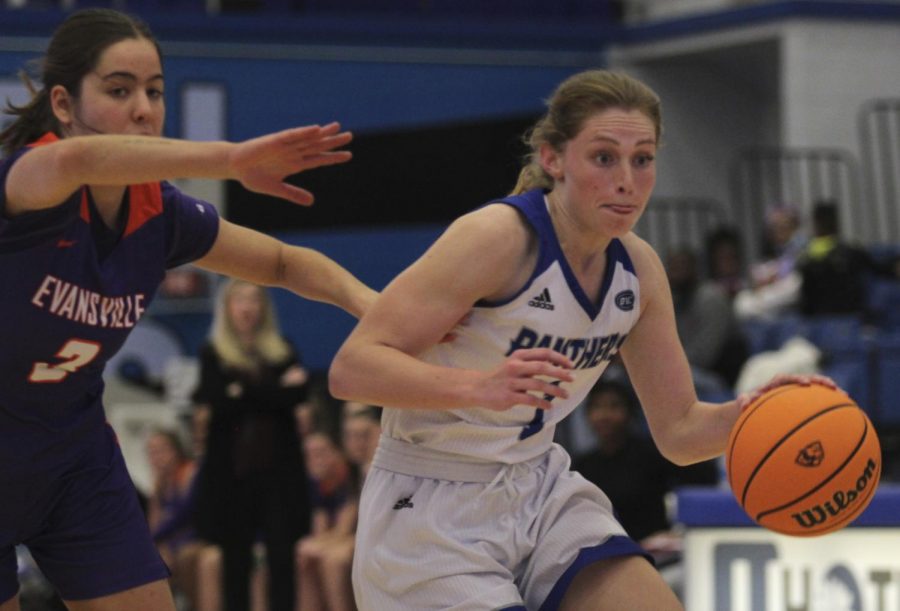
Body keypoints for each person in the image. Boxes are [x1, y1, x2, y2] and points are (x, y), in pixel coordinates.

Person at [328, 69, 833, 611]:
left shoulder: (638, 270)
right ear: (553, 159)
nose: (627, 179)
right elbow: (352, 369)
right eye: (604, 157)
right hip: (428, 504)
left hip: (538, 488)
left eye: (643, 159)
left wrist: (757, 413)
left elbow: (681, 432)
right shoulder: (498, 238)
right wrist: (477, 388)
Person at [0, 8, 374, 611]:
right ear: (64, 105)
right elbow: (81, 162)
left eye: (154, 91)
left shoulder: (163, 214)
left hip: (72, 458)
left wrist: (375, 308)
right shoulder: (31, 179)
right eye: (119, 90)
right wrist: (227, 160)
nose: (144, 108)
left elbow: (281, 263)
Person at [190, 279, 314, 611]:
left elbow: (299, 394)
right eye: (240, 301)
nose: (248, 308)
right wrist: (275, 390)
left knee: (281, 556)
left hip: (278, 472)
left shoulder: (282, 348)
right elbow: (217, 401)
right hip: (233, 474)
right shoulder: (212, 352)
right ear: (228, 308)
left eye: (254, 301)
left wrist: (242, 390)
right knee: (236, 561)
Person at [665, 245, 748, 389]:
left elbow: (705, 355)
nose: (676, 274)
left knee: (665, 380)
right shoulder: (675, 301)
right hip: (692, 370)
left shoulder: (711, 298)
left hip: (722, 377)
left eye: (682, 266)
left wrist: (667, 365)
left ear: (694, 269)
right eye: (672, 268)